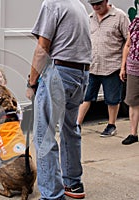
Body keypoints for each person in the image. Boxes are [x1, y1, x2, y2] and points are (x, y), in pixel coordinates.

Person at [26, 0, 92, 199]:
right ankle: (73, 183)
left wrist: (32, 82)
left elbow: (42, 48)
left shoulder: (52, 3)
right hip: (81, 74)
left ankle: (52, 195)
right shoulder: (78, 5)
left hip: (59, 73)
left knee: (43, 134)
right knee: (70, 129)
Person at [77, 0, 130, 137]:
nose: (95, 7)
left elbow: (128, 41)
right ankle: (77, 125)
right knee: (85, 97)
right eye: (92, 4)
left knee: (112, 99)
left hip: (112, 65)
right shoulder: (90, 18)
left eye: (98, 3)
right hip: (92, 65)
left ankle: (111, 125)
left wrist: (124, 65)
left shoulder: (119, 16)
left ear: (106, 1)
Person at [120, 17, 139, 145]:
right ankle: (133, 134)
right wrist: (123, 67)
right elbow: (128, 44)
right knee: (133, 101)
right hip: (133, 67)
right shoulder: (135, 23)